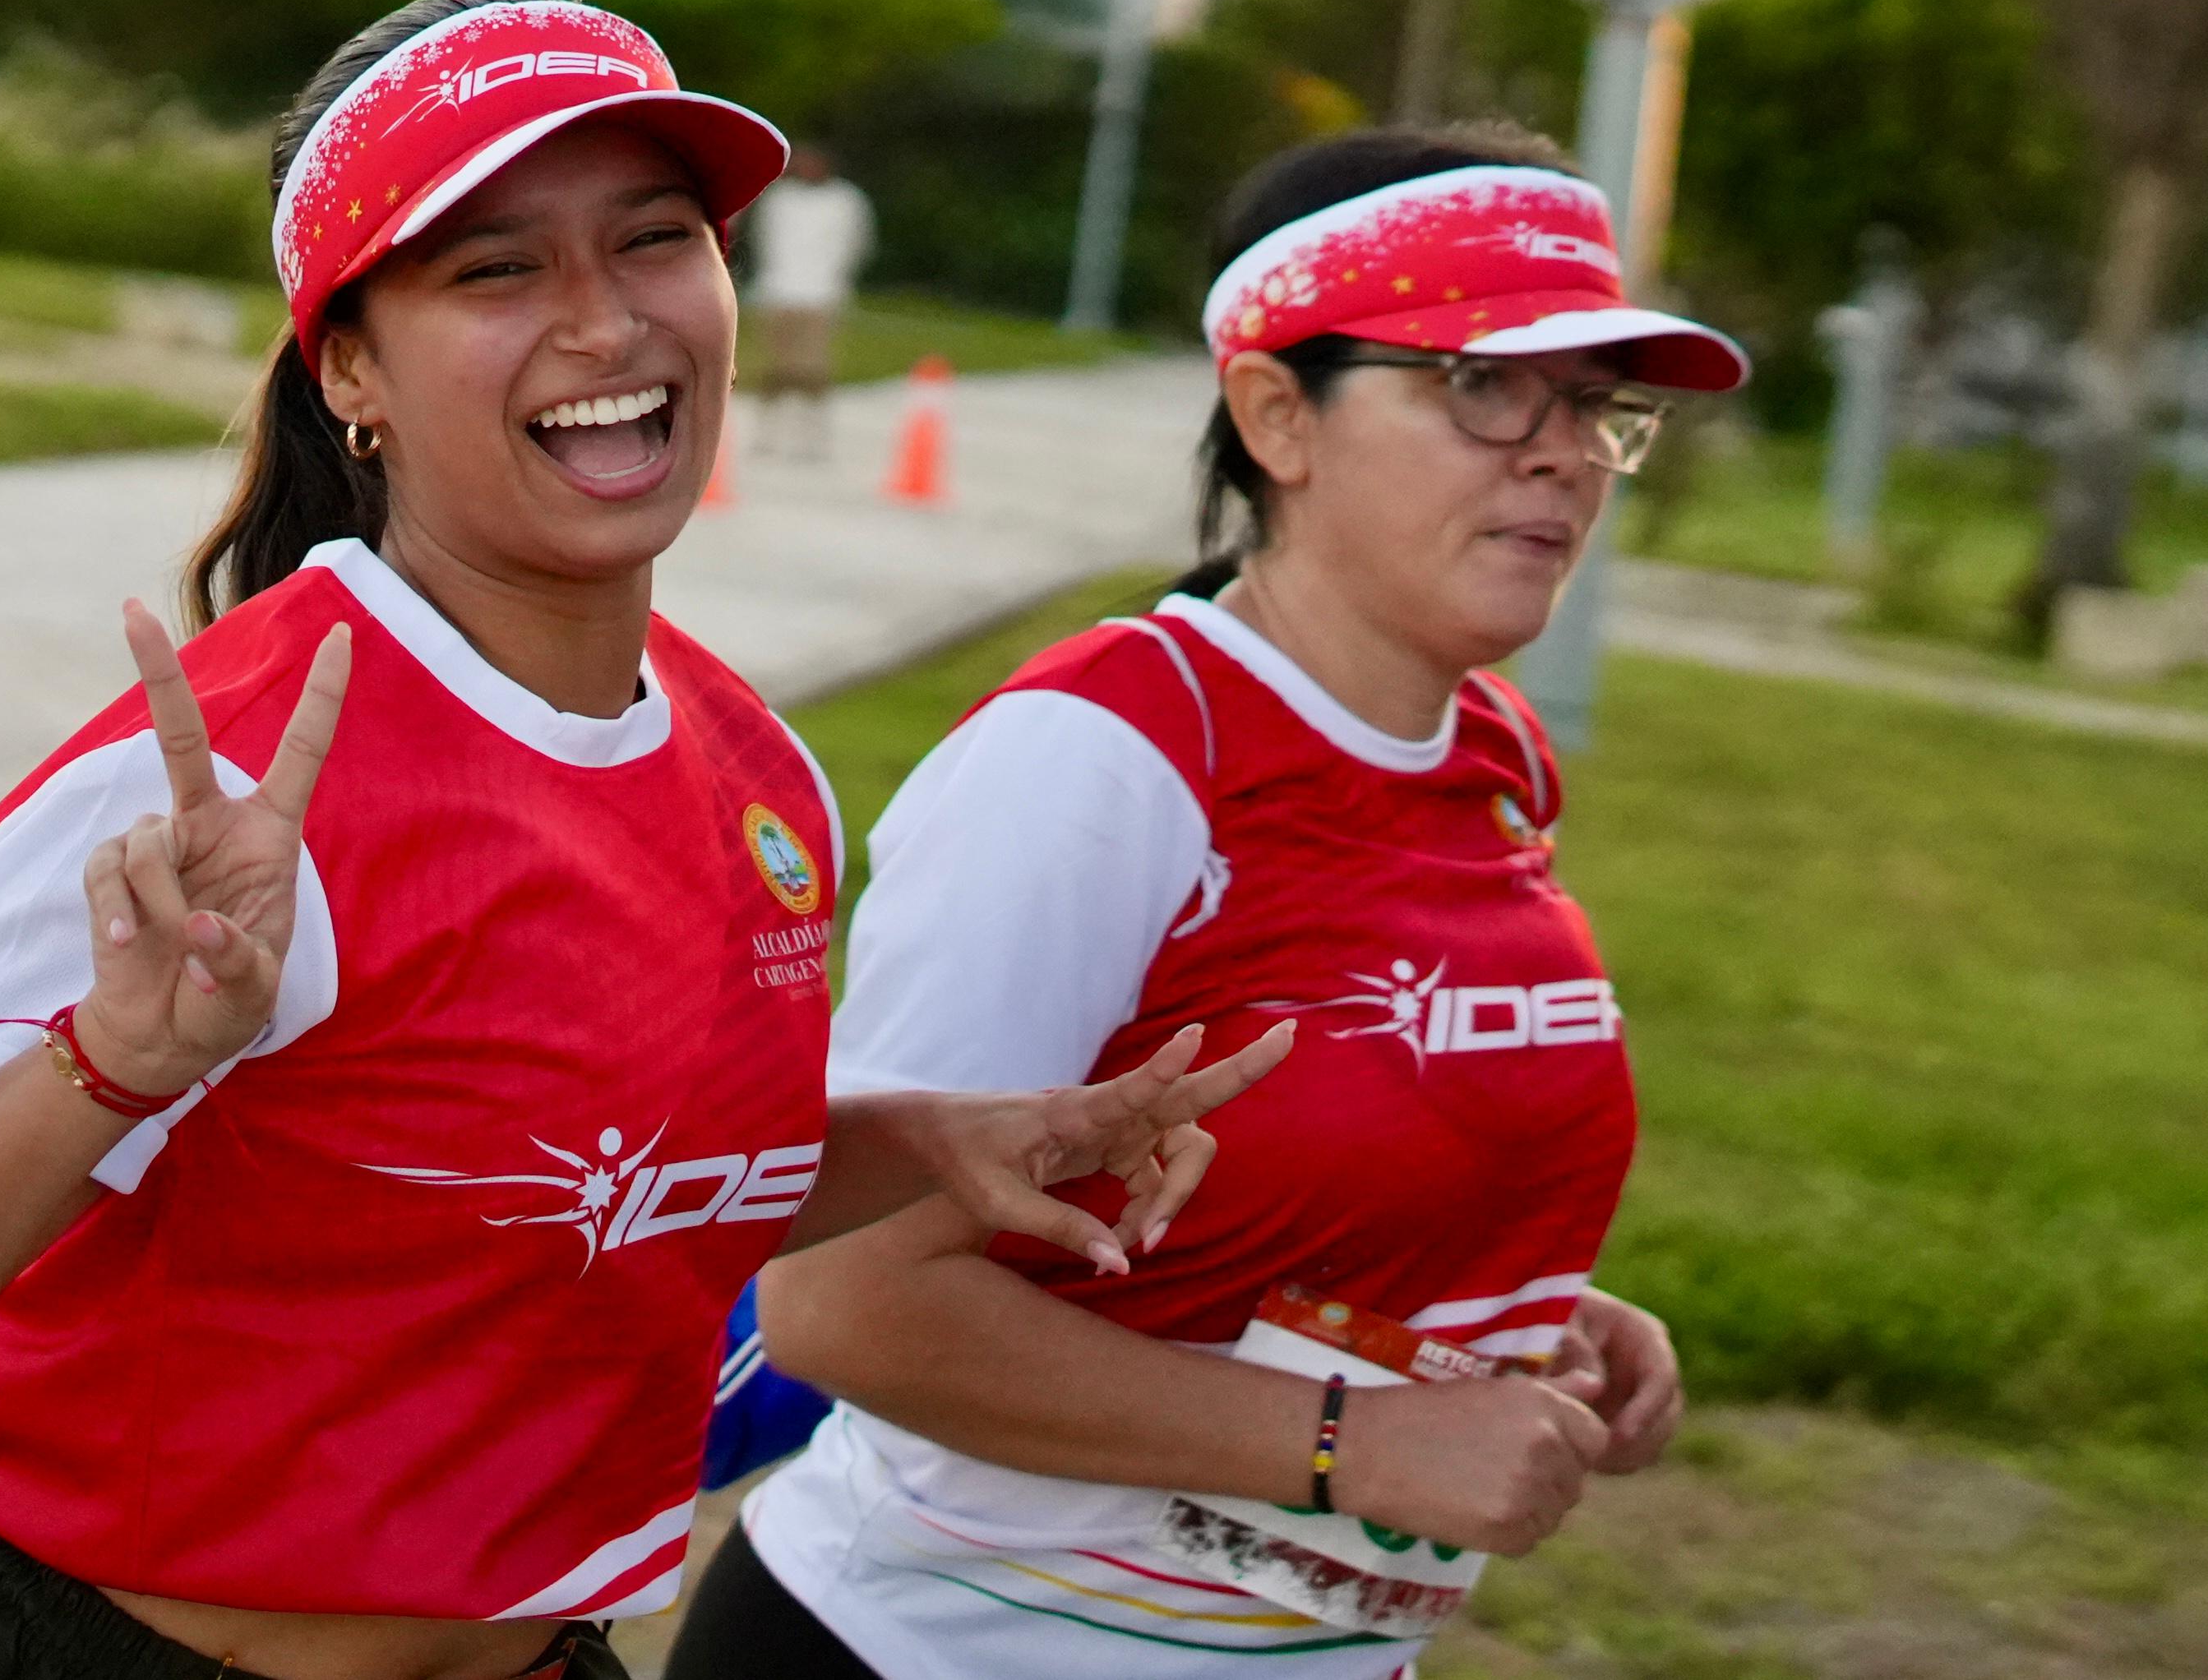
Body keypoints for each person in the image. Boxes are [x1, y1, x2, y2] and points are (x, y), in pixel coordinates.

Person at [0, 0, 1286, 1680]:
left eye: (656, 241)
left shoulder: (763, 777)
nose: (607, 323)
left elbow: (564, 1183)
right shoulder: (232, 794)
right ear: (350, 366)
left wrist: (948, 1145)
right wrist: (110, 1059)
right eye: (497, 268)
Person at [663, 123, 1753, 1680]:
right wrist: (1349, 1445)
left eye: (1598, 404)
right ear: (1273, 414)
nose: (1564, 449)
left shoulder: (1490, 755)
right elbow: (839, 1300)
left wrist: (1524, 1313)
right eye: (1484, 384)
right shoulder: (1105, 759)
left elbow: (1295, 1187)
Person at [744, 143, 873, 459]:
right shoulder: (779, 200)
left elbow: (857, 245)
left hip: (821, 294)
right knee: (776, 367)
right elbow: (765, 241)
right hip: (779, 291)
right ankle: (768, 433)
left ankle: (812, 436)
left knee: (812, 369)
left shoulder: (846, 201)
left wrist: (836, 280)